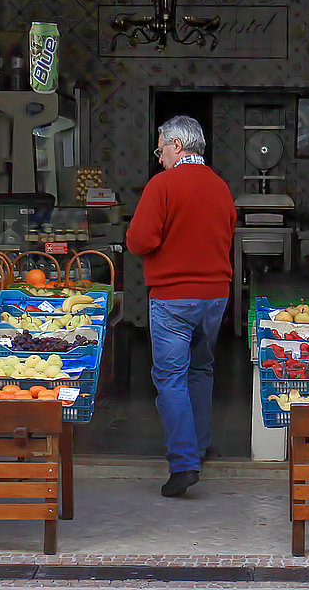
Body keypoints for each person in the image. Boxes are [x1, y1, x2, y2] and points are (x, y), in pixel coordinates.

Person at [125, 115, 237, 497]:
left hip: (173, 297)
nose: (159, 158)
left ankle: (184, 463)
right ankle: (201, 445)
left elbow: (140, 241)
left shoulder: (164, 185)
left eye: (160, 150)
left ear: (176, 145)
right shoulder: (221, 187)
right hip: (215, 296)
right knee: (202, 368)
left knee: (170, 377)